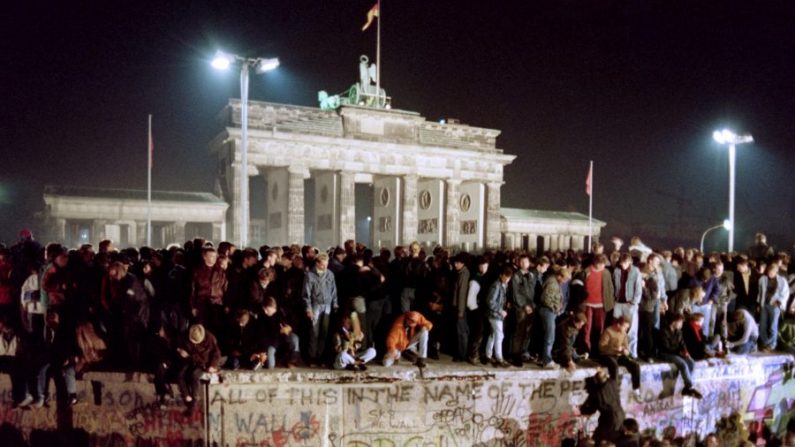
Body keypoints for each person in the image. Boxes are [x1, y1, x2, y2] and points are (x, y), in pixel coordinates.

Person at [302, 252, 338, 366]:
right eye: (323, 264)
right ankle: (312, 357)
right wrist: (308, 309)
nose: (325, 267)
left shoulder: (330, 274)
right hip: (315, 305)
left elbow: (333, 291)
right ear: (317, 263)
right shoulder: (310, 276)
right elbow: (306, 294)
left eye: (326, 264)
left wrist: (335, 304)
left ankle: (320, 356)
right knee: (314, 332)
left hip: (327, 306)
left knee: (324, 333)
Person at [656, 313, 702, 399]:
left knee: (691, 362)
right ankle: (690, 387)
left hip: (677, 352)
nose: (681, 324)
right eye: (680, 322)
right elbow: (666, 348)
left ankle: (686, 388)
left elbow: (682, 343)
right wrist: (679, 353)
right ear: (673, 322)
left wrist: (685, 352)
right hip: (665, 354)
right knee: (683, 364)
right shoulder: (664, 331)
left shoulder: (679, 331)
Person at [577, 255, 615, 357]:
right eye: (602, 264)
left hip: (601, 304)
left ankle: (597, 350)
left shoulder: (606, 273)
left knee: (599, 328)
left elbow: (610, 288)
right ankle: (586, 349)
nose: (603, 266)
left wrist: (610, 302)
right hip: (587, 304)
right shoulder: (586, 272)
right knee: (586, 328)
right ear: (596, 263)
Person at [176, 324, 220, 409]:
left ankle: (194, 399)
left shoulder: (210, 338)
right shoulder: (184, 336)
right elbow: (177, 345)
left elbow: (216, 353)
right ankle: (186, 395)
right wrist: (179, 350)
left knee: (195, 375)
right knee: (180, 374)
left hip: (202, 363)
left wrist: (212, 365)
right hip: (188, 360)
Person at [598, 317, 642, 401]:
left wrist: (625, 351)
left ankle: (636, 390)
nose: (626, 329)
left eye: (627, 328)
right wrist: (614, 349)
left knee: (635, 366)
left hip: (619, 355)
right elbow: (601, 347)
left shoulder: (624, 334)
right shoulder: (608, 331)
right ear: (618, 325)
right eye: (625, 327)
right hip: (607, 355)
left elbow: (626, 348)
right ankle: (614, 391)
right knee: (614, 367)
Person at [580, 367, 625, 445]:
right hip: (621, 414)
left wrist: (582, 407)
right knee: (613, 440)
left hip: (609, 419)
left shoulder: (597, 393)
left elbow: (591, 410)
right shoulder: (612, 382)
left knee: (597, 440)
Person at [538, 265, 570, 369]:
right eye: (564, 279)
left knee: (548, 335)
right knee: (549, 336)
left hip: (551, 312)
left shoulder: (555, 282)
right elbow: (545, 298)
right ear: (560, 276)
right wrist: (555, 308)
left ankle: (544, 357)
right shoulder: (552, 283)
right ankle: (546, 360)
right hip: (548, 312)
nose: (564, 282)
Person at [613, 254, 642, 358]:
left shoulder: (636, 271)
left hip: (630, 303)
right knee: (616, 327)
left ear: (630, 262)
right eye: (621, 262)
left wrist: (634, 302)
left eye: (624, 262)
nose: (622, 265)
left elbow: (638, 288)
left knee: (632, 329)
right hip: (618, 302)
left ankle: (632, 353)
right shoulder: (617, 271)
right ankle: (617, 350)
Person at [509, 253, 535, 366]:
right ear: (519, 263)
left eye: (526, 262)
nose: (524, 264)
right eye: (522, 262)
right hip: (520, 307)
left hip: (531, 307)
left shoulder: (531, 275)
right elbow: (516, 294)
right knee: (519, 330)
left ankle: (524, 352)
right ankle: (515, 354)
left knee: (528, 331)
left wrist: (532, 305)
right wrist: (525, 306)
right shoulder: (516, 276)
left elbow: (533, 292)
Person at [485, 266, 513, 368]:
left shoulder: (503, 285)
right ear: (501, 275)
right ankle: (499, 358)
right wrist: (500, 310)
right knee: (499, 335)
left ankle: (488, 355)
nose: (507, 280)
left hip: (496, 314)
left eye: (509, 278)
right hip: (495, 314)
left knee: (493, 335)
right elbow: (490, 301)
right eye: (505, 277)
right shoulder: (496, 285)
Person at [757, 263, 789, 352]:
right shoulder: (763, 279)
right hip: (764, 304)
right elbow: (760, 293)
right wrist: (759, 304)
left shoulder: (782, 281)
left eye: (772, 272)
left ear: (776, 271)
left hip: (774, 306)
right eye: (769, 272)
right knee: (762, 325)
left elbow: (785, 294)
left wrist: (778, 302)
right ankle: (765, 343)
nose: (770, 274)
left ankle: (772, 345)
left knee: (772, 326)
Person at [450, 254, 470, 362]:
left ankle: (462, 354)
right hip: (458, 306)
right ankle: (460, 352)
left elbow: (462, 293)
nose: (455, 264)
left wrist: (461, 310)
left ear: (462, 263)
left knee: (461, 331)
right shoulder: (460, 273)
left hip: (460, 308)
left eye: (457, 263)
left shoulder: (464, 274)